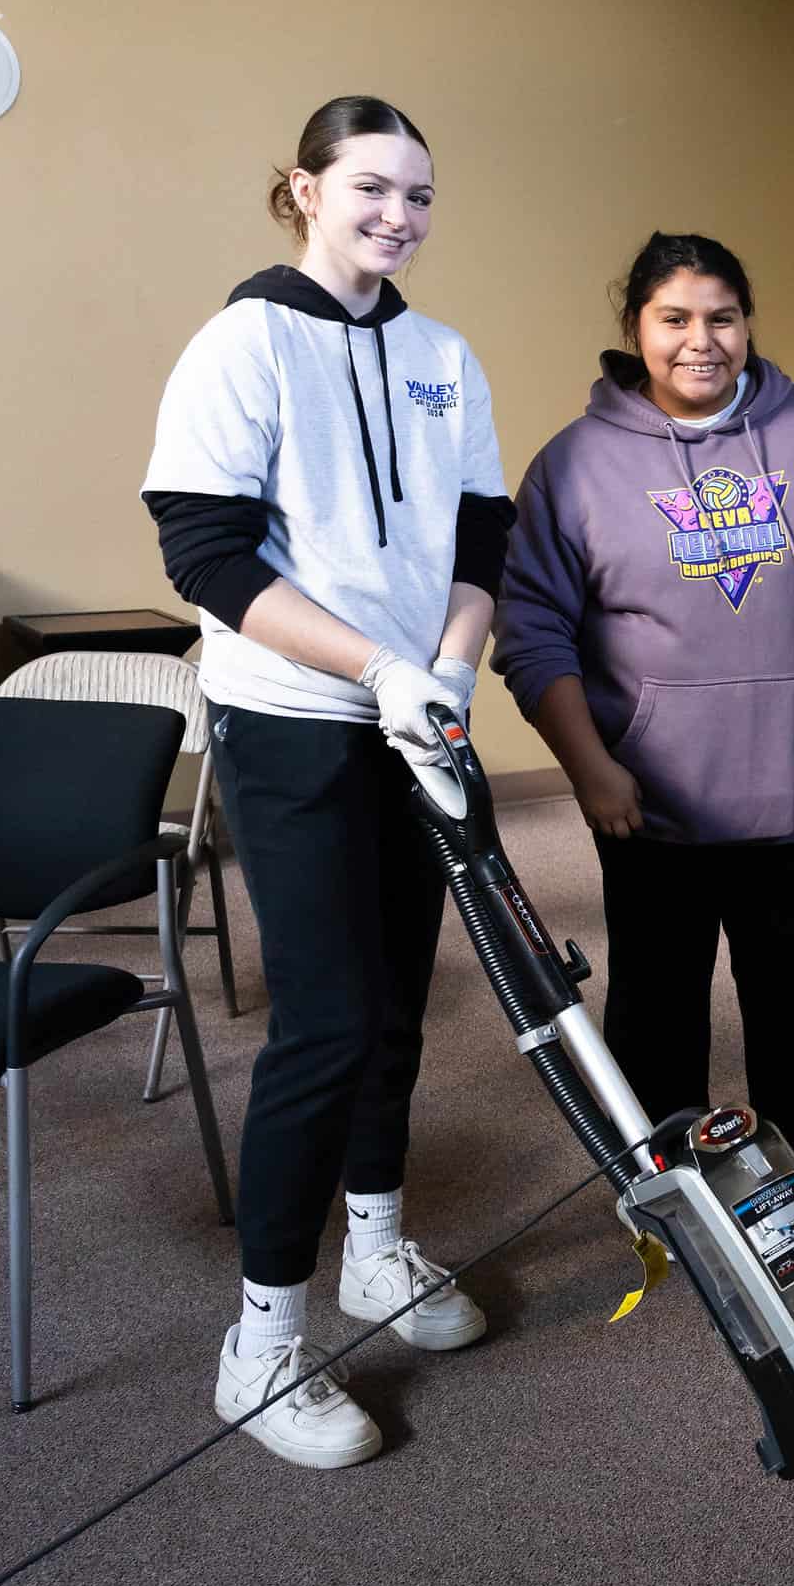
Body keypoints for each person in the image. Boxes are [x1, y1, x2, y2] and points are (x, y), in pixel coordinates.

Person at [142, 96, 513, 1469]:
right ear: (303, 188)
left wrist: (453, 662)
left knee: (397, 1004)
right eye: (370, 186)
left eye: (419, 191)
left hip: (416, 717)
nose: (397, 214)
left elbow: (485, 529)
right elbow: (206, 555)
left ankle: (376, 1247)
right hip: (294, 718)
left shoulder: (442, 353)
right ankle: (261, 1339)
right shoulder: (242, 342)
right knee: (325, 1023)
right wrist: (372, 662)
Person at [491, 231, 794, 1230]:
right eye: (675, 320)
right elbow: (531, 636)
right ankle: (665, 1160)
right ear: (634, 330)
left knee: (793, 981)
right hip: (651, 795)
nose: (703, 341)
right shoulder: (575, 464)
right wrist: (590, 767)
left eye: (724, 318)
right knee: (657, 992)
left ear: (748, 323)